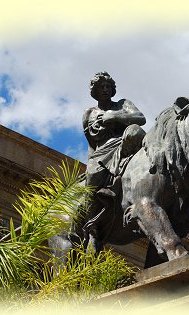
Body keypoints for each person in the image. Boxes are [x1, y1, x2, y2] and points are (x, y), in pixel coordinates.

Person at [81, 71, 146, 250]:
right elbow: (92, 144)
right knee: (92, 180)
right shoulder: (89, 113)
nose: (105, 90)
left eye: (108, 87)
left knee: (136, 134)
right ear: (94, 90)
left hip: (125, 144)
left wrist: (114, 116)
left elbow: (141, 118)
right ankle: (92, 227)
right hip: (102, 152)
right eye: (101, 87)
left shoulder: (122, 104)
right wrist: (90, 165)